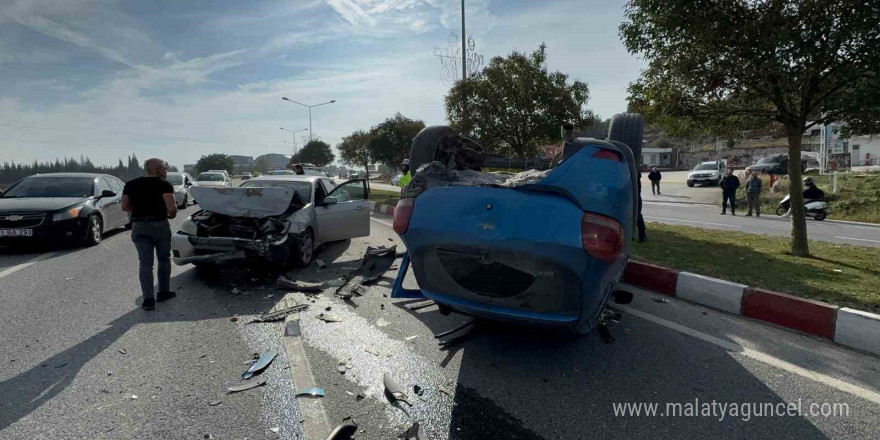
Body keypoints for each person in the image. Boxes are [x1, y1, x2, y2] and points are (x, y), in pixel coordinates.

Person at [122, 158, 178, 311]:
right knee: (164, 258)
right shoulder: (164, 185)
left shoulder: (130, 184)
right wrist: (171, 215)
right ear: (157, 169)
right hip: (159, 225)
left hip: (139, 226)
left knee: (145, 263)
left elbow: (124, 207)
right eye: (165, 168)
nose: (166, 171)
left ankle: (148, 300)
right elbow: (171, 210)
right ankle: (163, 292)